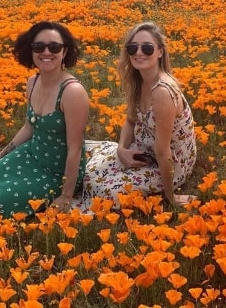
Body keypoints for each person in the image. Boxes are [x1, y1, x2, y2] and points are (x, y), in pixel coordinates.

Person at [0, 21, 89, 217]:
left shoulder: (73, 92)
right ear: (30, 51)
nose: (46, 52)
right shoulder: (33, 82)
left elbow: (75, 149)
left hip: (57, 171)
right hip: (31, 154)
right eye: (39, 47)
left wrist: (66, 195)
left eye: (54, 47)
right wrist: (0, 156)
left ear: (64, 52)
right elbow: (29, 127)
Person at [74, 22, 197, 212]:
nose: (139, 52)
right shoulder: (139, 82)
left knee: (100, 187)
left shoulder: (162, 91)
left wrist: (170, 197)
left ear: (160, 52)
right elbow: (130, 120)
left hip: (169, 164)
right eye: (133, 47)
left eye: (147, 48)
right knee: (91, 169)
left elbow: (164, 153)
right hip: (144, 153)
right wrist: (122, 150)